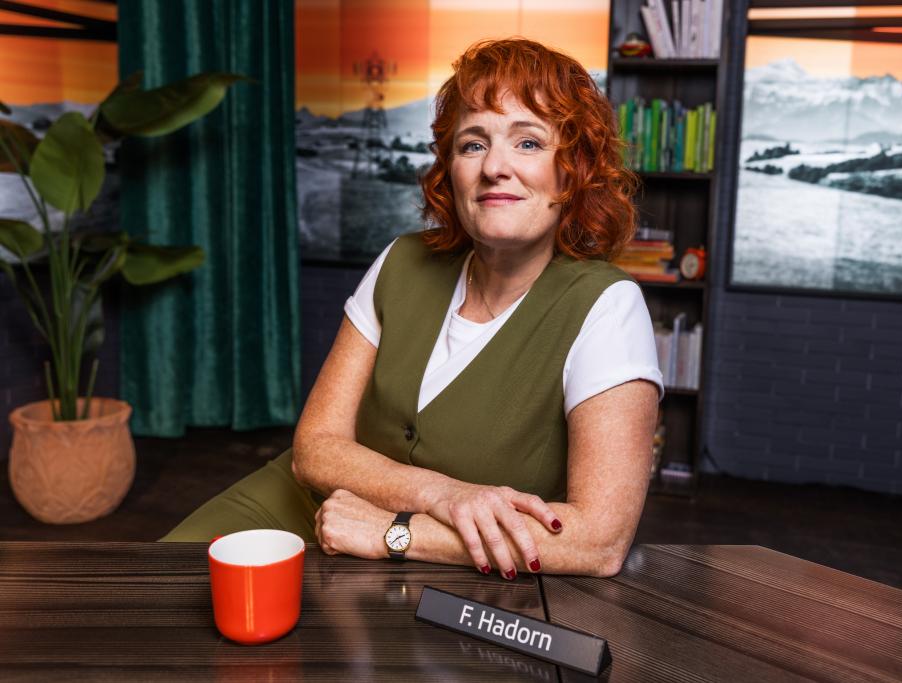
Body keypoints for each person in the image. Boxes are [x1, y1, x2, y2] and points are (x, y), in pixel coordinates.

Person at [162, 38, 662, 579]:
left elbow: (599, 541)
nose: (495, 167)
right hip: (295, 504)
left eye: (528, 142)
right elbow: (314, 450)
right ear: (450, 169)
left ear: (574, 169)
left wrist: (396, 533)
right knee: (155, 588)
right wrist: (441, 494)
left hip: (439, 564)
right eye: (473, 144)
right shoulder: (402, 260)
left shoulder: (607, 308)